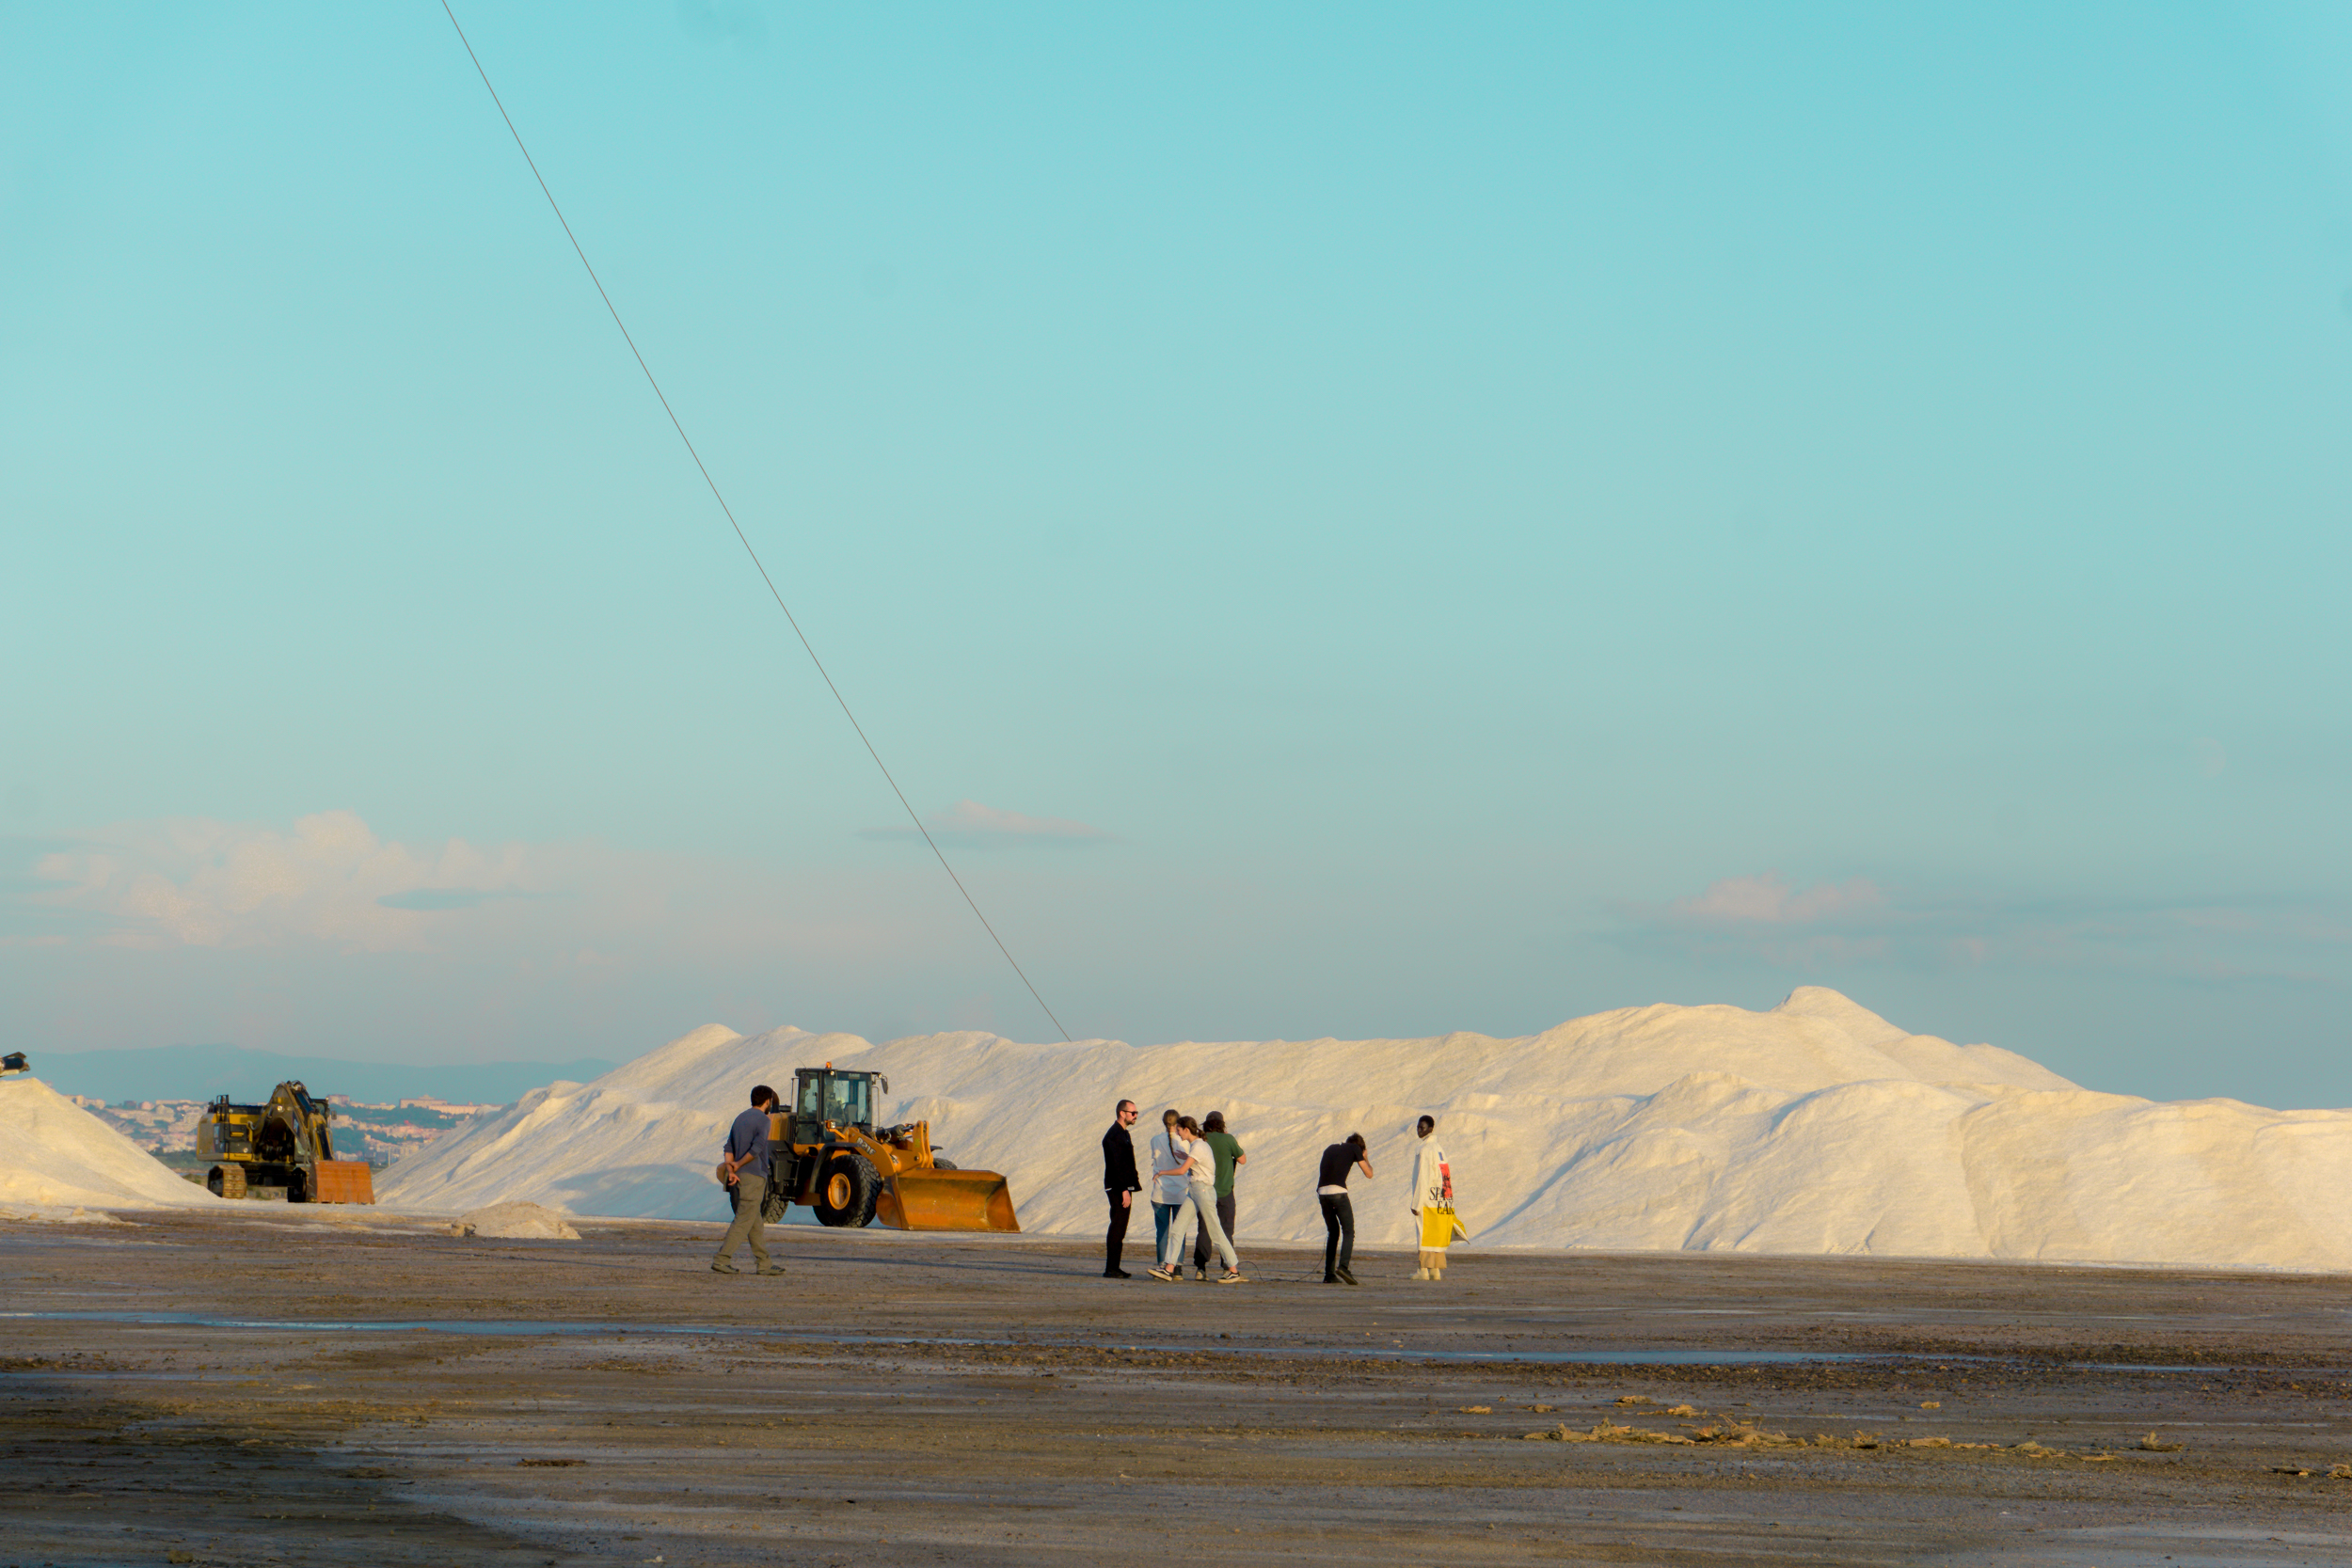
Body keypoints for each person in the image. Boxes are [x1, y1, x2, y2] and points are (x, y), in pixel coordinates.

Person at [1151, 1116, 1241, 1283]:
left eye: (1178, 1129)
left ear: (1186, 1129)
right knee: (1177, 1229)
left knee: (1215, 1231)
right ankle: (1169, 1268)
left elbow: (1181, 1171)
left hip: (1203, 1191)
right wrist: (1186, 1157)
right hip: (1195, 1190)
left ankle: (1233, 1269)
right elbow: (1197, 1164)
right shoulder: (1197, 1145)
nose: (1177, 1133)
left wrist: (1161, 1172)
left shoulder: (1198, 1145)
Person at [712, 1084, 785, 1275]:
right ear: (768, 1101)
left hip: (739, 1177)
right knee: (744, 1220)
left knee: (755, 1222)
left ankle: (764, 1263)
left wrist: (731, 1168)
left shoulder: (740, 1118)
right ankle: (721, 1259)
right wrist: (738, 1164)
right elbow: (758, 1147)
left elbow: (728, 1147)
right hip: (753, 1177)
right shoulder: (763, 1119)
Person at [1189, 1111, 1247, 1281]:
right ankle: (1227, 1268)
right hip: (1225, 1191)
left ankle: (1201, 1268)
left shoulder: (1202, 1140)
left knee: (1204, 1229)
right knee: (1226, 1230)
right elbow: (1242, 1159)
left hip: (1205, 1190)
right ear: (1222, 1124)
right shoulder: (1228, 1139)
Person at [1408, 1113, 1461, 1282]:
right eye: (1417, 1127)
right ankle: (1435, 1271)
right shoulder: (1440, 1149)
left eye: (1422, 1127)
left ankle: (1423, 1270)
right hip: (1441, 1200)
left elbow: (1422, 1178)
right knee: (1436, 1236)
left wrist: (1416, 1202)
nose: (1419, 1130)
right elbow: (1446, 1176)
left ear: (1431, 1129)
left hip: (1426, 1199)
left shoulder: (1424, 1150)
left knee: (1423, 1235)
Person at [1315, 1132, 1373, 1286]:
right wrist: (1364, 1156)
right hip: (1338, 1193)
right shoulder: (1355, 1148)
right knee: (1349, 1231)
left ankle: (1329, 1274)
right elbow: (1369, 1174)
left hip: (1322, 1193)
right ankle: (1344, 1267)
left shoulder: (1330, 1148)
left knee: (1333, 1232)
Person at [1101, 1099, 1141, 1278]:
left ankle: (1114, 1267)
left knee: (1120, 1226)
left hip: (1123, 1186)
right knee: (1117, 1226)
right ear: (1122, 1113)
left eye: (1136, 1113)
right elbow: (1116, 1165)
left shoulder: (1124, 1133)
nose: (1135, 1116)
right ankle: (1111, 1268)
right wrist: (1124, 1189)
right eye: (1132, 1113)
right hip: (1117, 1187)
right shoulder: (1114, 1135)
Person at [1147, 1108, 1187, 1263]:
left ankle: (1161, 1265)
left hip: (1160, 1191)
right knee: (1179, 1232)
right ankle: (1177, 1267)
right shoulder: (1183, 1141)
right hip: (1181, 1192)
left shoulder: (1155, 1139)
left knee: (1162, 1232)